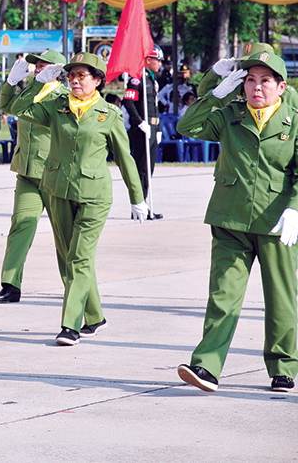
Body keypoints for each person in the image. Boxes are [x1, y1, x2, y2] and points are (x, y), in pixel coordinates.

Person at [176, 52, 298, 393]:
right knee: (222, 295)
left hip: (276, 221)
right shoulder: (230, 114)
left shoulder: (295, 120)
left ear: (281, 86)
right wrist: (216, 93)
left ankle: (283, 366)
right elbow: (187, 126)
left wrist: (295, 208)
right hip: (230, 218)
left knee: (281, 296)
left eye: (264, 80)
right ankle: (207, 367)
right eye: (250, 80)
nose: (256, 87)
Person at [13, 53, 148, 346]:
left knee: (79, 258)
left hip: (94, 196)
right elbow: (19, 109)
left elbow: (126, 159)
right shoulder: (56, 107)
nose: (74, 81)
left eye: (82, 76)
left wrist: (137, 197)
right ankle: (95, 316)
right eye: (71, 76)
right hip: (58, 190)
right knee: (68, 259)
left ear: (97, 81)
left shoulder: (108, 115)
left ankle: (70, 326)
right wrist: (37, 84)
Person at [0, 48, 72, 303]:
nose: (37, 68)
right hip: (27, 173)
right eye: (36, 65)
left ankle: (74, 285)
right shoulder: (32, 91)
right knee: (21, 226)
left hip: (52, 175)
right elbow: (8, 106)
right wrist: (11, 83)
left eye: (43, 65)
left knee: (64, 238)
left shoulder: (64, 97)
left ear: (57, 71)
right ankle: (10, 284)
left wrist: (37, 87)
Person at [122, 46, 163, 220]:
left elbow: (155, 106)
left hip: (152, 128)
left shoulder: (152, 80)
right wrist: (139, 122)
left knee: (149, 169)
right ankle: (138, 206)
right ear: (147, 60)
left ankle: (145, 205)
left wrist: (158, 128)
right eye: (157, 60)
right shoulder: (137, 79)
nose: (159, 63)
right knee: (141, 170)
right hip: (141, 129)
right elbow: (128, 102)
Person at [196, 41, 298, 108]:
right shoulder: (236, 89)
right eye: (244, 64)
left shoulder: (287, 95)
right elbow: (204, 95)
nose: (247, 70)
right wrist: (214, 73)